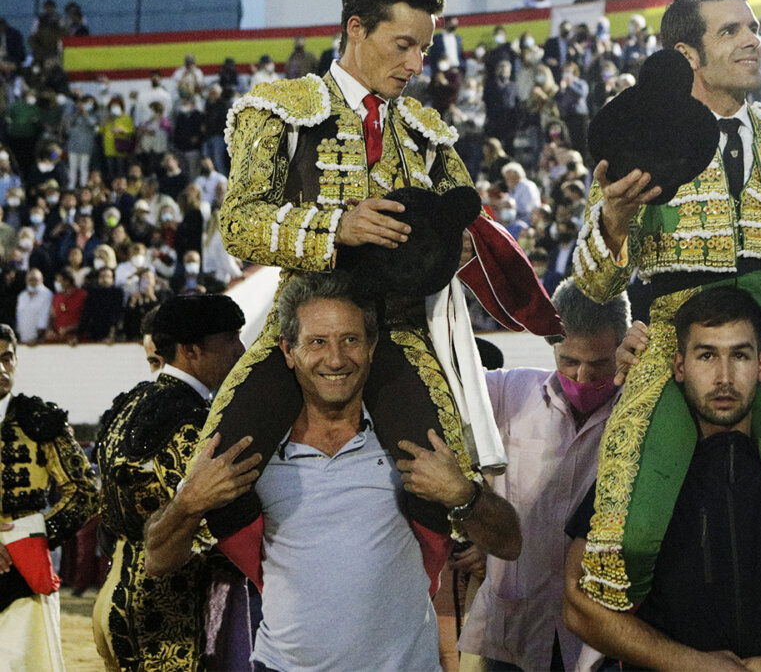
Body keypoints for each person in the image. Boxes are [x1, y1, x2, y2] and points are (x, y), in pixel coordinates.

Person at [200, 0, 555, 566]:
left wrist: (457, 249)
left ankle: (404, 604)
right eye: (404, 45)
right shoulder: (280, 110)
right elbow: (238, 223)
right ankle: (276, 588)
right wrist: (336, 227)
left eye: (424, 48)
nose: (417, 63)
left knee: (446, 476)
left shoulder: (426, 134)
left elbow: (471, 228)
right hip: (304, 327)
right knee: (214, 466)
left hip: (398, 329)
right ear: (356, 30)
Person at [572, 0, 761, 628]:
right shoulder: (638, 142)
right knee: (621, 547)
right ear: (687, 55)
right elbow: (594, 288)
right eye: (730, 31)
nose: (752, 41)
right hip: (673, 358)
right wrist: (615, 224)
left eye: (753, 27)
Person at [144, 273, 521, 672]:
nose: (336, 359)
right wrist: (188, 503)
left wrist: (463, 494)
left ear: (372, 346)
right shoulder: (254, 455)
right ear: (288, 351)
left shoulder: (412, 445)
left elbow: (510, 543)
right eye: (317, 342)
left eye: (350, 340)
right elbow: (157, 559)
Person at [564, 288, 761, 670]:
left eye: (740, 355)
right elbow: (577, 602)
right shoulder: (640, 465)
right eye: (707, 356)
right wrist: (693, 665)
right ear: (679, 366)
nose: (724, 377)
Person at [458, 281, 629, 672]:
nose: (583, 377)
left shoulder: (642, 412)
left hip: (599, 641)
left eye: (600, 364)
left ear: (623, 348)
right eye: (569, 360)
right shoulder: (507, 392)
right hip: (512, 635)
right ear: (552, 343)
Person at [93, 296, 250, 671]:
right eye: (229, 339)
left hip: (114, 592)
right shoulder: (197, 422)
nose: (241, 350)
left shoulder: (129, 403)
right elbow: (211, 525)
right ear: (190, 350)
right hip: (168, 611)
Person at [0, 322, 99, 669]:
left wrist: (38, 535)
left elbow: (86, 492)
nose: (1, 369)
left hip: (25, 564)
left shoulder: (39, 418)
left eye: (7, 358)